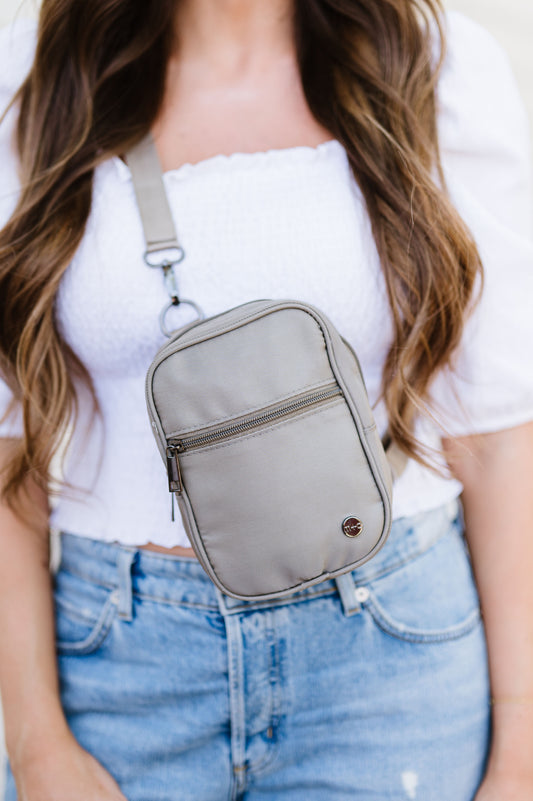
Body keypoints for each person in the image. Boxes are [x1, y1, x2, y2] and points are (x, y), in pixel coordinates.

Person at [0, 0, 532, 799]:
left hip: (385, 660)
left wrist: (520, 752)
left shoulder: (435, 64)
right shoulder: (34, 75)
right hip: (117, 674)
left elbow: (495, 435)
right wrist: (36, 745)